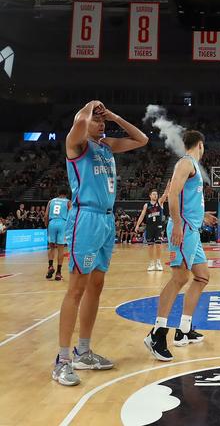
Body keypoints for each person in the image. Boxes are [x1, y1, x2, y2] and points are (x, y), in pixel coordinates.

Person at [52, 100, 148, 386]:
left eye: (102, 119)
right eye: (97, 119)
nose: (100, 122)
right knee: (77, 287)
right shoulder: (76, 144)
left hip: (106, 220)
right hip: (86, 217)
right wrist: (89, 106)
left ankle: (83, 351)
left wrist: (114, 115)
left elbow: (141, 139)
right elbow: (79, 124)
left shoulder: (106, 146)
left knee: (96, 284)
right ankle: (62, 359)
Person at [144, 131, 218, 362]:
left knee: (202, 276)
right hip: (183, 229)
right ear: (200, 145)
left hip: (191, 228)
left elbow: (186, 199)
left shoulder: (192, 165)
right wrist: (177, 224)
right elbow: (173, 194)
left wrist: (201, 215)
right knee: (179, 278)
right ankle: (156, 333)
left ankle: (184, 329)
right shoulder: (186, 163)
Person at [135, 186, 169, 272]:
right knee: (150, 246)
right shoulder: (147, 205)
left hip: (158, 227)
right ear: (150, 196)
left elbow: (165, 194)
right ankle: (151, 263)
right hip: (149, 227)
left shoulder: (160, 202)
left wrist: (168, 187)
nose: (155, 195)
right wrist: (137, 225)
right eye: (154, 194)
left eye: (156, 194)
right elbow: (142, 215)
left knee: (158, 245)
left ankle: (158, 262)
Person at [45, 188, 71, 281]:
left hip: (52, 223)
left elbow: (46, 215)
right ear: (66, 194)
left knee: (51, 247)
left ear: (58, 193)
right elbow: (71, 216)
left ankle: (50, 266)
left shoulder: (51, 201)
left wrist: (47, 226)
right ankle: (58, 273)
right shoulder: (68, 202)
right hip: (62, 223)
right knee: (60, 250)